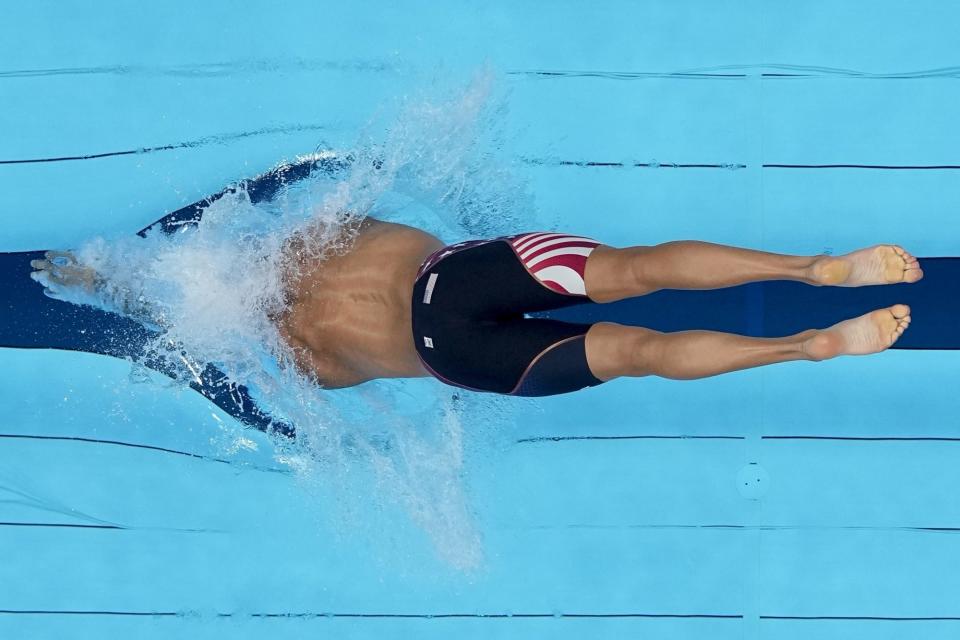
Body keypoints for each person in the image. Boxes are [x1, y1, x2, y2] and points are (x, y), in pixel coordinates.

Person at [30, 215, 922, 398]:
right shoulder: (303, 236)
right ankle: (812, 269)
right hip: (450, 277)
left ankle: (806, 346)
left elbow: (335, 386)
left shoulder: (301, 349)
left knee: (637, 357)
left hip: (448, 358)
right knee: (637, 267)